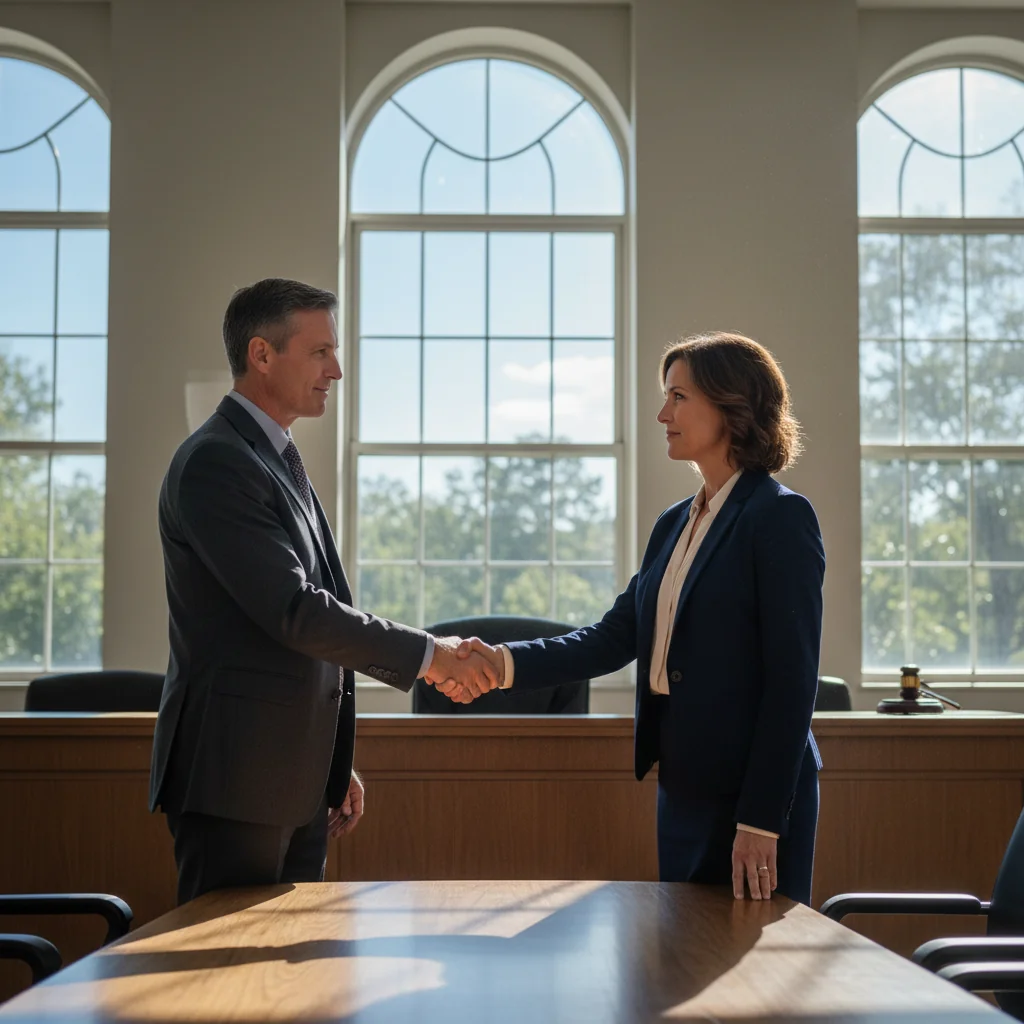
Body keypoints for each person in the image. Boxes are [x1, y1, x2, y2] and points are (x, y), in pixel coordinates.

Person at [149, 278, 498, 905]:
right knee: (224, 981)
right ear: (261, 355)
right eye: (319, 353)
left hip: (293, 779)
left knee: (288, 979)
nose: (336, 370)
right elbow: (296, 611)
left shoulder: (272, 456)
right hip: (238, 780)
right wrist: (431, 655)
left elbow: (315, 617)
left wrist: (331, 765)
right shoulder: (216, 461)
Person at [450, 331, 825, 904]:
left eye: (678, 397)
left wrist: (760, 820)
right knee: (682, 957)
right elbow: (614, 636)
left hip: (751, 799)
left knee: (750, 977)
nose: (661, 414)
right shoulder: (675, 523)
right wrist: (501, 664)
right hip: (683, 787)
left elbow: (792, 684)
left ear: (731, 405)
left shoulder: (779, 517)